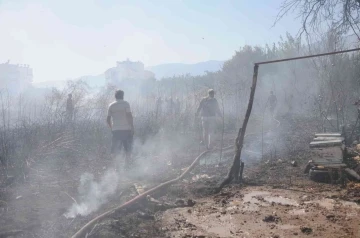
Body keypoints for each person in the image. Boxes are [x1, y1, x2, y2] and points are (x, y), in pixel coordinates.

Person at [107, 90, 134, 169]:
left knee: (115, 150)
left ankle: (117, 167)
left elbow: (108, 119)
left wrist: (112, 128)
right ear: (123, 96)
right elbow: (129, 116)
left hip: (116, 131)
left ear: (115, 96)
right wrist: (132, 127)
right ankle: (127, 166)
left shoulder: (111, 105)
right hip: (126, 130)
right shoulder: (126, 104)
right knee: (128, 149)